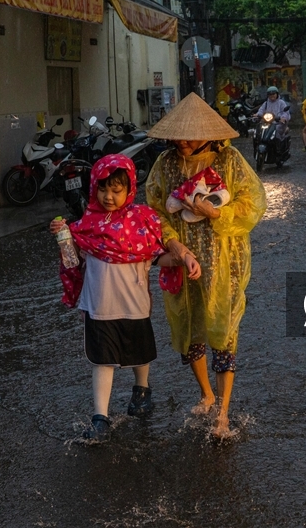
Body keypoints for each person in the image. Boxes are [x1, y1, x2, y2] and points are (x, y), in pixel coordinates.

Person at [51, 154, 200, 442]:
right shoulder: (85, 224)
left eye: (116, 190)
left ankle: (141, 389)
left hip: (134, 307)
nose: (109, 197)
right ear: (94, 187)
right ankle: (100, 417)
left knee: (139, 355)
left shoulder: (142, 222)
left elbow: (157, 258)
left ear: (129, 188)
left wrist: (185, 259)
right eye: (103, 189)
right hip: (99, 307)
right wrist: (63, 237)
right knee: (101, 361)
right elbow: (73, 263)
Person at [145, 93, 267, 439]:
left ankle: (223, 413)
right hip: (183, 260)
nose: (182, 142)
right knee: (190, 327)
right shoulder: (165, 164)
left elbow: (254, 201)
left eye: (190, 135)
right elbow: (154, 209)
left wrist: (217, 212)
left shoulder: (230, 160)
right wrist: (174, 244)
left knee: (224, 330)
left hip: (224, 258)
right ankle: (206, 394)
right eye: (178, 135)